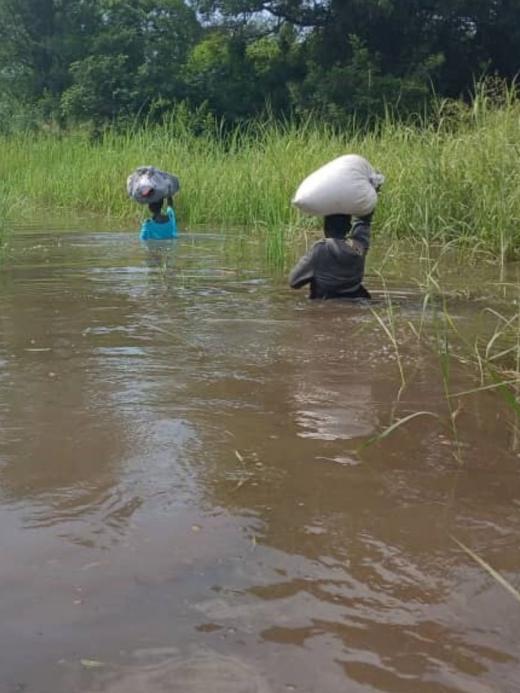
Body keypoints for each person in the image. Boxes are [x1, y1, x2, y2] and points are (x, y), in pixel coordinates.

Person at [288, 212, 373, 300]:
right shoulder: (359, 246)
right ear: (348, 227)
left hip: (324, 304)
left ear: (325, 227)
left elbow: (294, 281)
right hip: (358, 301)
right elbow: (363, 223)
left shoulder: (320, 248)